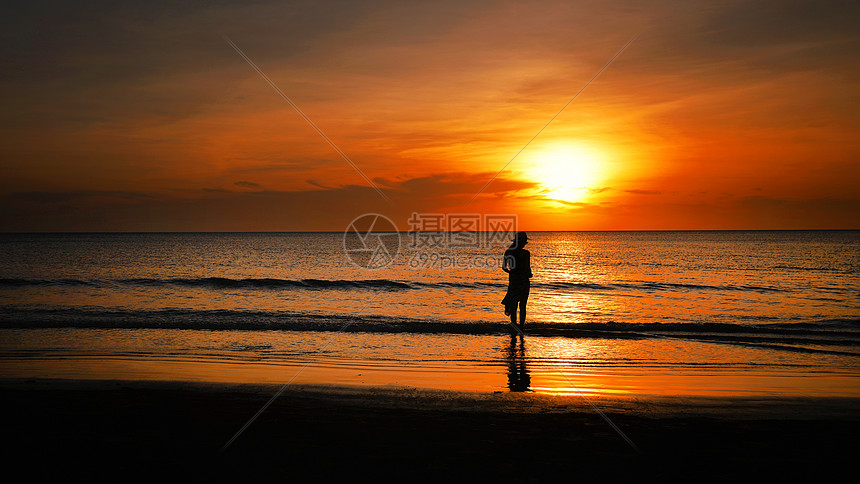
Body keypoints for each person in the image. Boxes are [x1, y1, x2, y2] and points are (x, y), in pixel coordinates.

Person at [501, 231, 532, 328]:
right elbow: (528, 269)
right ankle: (521, 327)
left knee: (513, 305)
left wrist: (512, 272)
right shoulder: (526, 253)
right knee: (522, 306)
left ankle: (514, 325)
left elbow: (504, 267)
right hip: (524, 282)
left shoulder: (508, 252)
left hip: (514, 282)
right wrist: (528, 274)